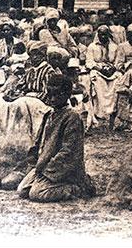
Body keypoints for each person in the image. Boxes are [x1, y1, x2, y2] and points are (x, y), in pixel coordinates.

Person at [18, 74, 96, 203]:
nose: (52, 99)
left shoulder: (72, 117)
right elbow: (37, 142)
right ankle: (46, 182)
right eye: (50, 94)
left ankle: (78, 187)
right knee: (22, 190)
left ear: (67, 94)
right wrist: (35, 163)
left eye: (57, 95)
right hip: (44, 165)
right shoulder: (49, 114)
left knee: (37, 194)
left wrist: (48, 171)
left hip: (62, 169)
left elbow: (69, 151)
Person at [85, 24, 121, 121]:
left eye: (105, 34)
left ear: (109, 35)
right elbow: (89, 61)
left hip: (111, 70)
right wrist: (100, 69)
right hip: (98, 70)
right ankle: (101, 111)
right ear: (98, 35)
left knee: (118, 79)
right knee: (97, 80)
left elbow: (118, 61)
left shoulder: (114, 47)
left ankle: (112, 109)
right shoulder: (92, 46)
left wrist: (113, 68)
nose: (103, 37)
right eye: (101, 35)